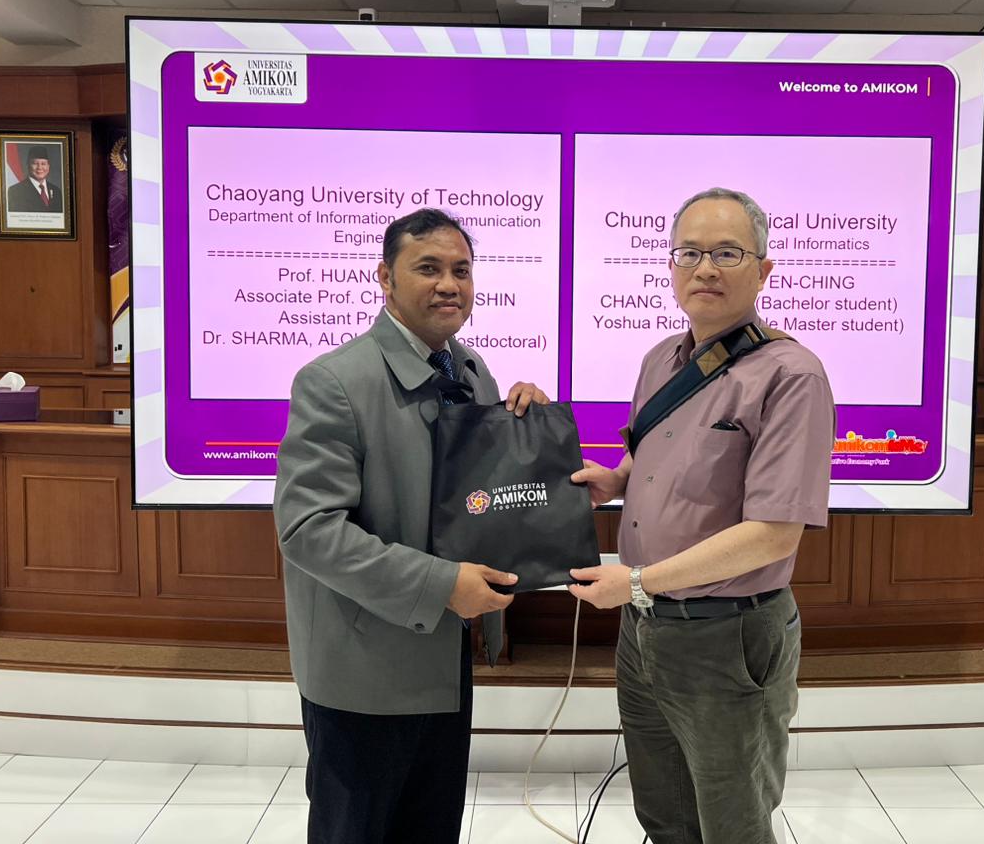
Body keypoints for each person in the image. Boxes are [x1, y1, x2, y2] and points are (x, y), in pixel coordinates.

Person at [570, 187, 836, 844]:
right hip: (644, 629)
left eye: (726, 253)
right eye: (689, 253)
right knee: (663, 812)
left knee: (732, 822)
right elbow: (653, 448)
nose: (705, 269)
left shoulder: (791, 375)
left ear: (763, 269)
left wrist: (636, 582)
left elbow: (772, 535)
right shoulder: (660, 359)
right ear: (671, 266)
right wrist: (615, 479)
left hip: (728, 636)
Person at [275, 208, 548, 844]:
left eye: (461, 270)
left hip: (445, 659)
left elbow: (480, 500)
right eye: (428, 268)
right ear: (385, 278)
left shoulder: (472, 372)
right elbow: (308, 530)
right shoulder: (335, 381)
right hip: (362, 672)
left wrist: (530, 436)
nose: (449, 285)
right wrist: (440, 584)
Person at [7, 146, 63, 212]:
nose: (39, 167)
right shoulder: (15, 191)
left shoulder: (57, 192)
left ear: (48, 166)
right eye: (35, 163)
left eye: (43, 164)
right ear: (28, 165)